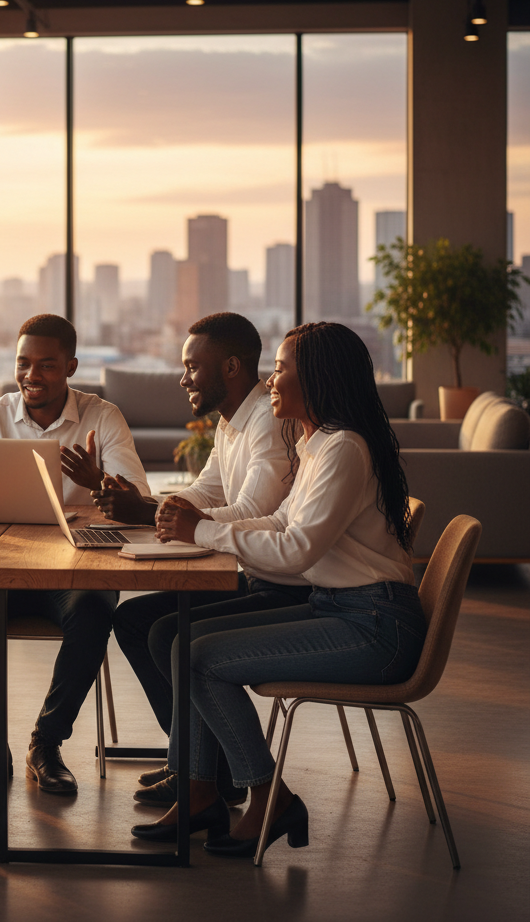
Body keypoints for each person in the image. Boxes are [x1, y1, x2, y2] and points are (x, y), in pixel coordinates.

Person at [131, 322, 425, 859]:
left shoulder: (344, 450)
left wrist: (203, 530)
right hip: (337, 608)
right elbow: (277, 523)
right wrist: (197, 520)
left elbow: (296, 550)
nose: (270, 378)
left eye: (282, 368)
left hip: (376, 628)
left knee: (198, 659)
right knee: (179, 641)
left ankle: (271, 797)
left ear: (315, 377)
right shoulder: (318, 443)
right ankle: (201, 788)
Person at [0, 313, 151, 794]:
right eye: (24, 363)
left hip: (71, 572)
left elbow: (138, 499)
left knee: (95, 609)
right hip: (0, 566)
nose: (32, 375)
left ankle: (45, 744)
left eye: (46, 365)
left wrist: (100, 484)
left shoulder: (102, 416)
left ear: (70, 366)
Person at [102, 312, 304, 810]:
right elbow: (203, 492)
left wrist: (160, 515)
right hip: (251, 571)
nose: (182, 377)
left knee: (167, 633)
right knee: (134, 620)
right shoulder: (231, 423)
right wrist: (152, 507)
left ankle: (204, 772)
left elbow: (252, 512)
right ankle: (196, 766)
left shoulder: (269, 423)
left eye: (193, 366)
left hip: (281, 583)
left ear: (231, 366)